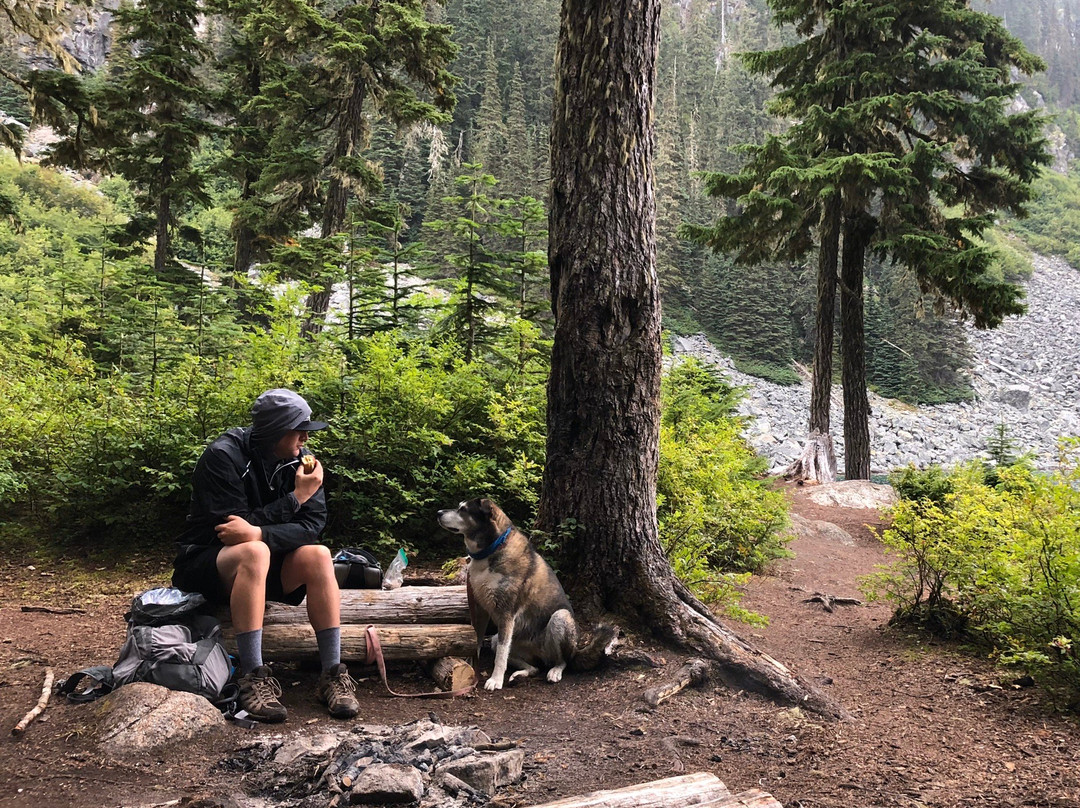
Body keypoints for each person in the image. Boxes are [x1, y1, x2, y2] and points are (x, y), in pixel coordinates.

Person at [172, 388, 359, 722]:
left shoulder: (303, 462)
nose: (305, 437)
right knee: (254, 552)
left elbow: (312, 525)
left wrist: (262, 529)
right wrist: (295, 499)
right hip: (207, 564)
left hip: (264, 564)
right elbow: (229, 531)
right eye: (299, 429)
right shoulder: (223, 456)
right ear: (276, 429)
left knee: (318, 554)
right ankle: (253, 676)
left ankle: (332, 674)